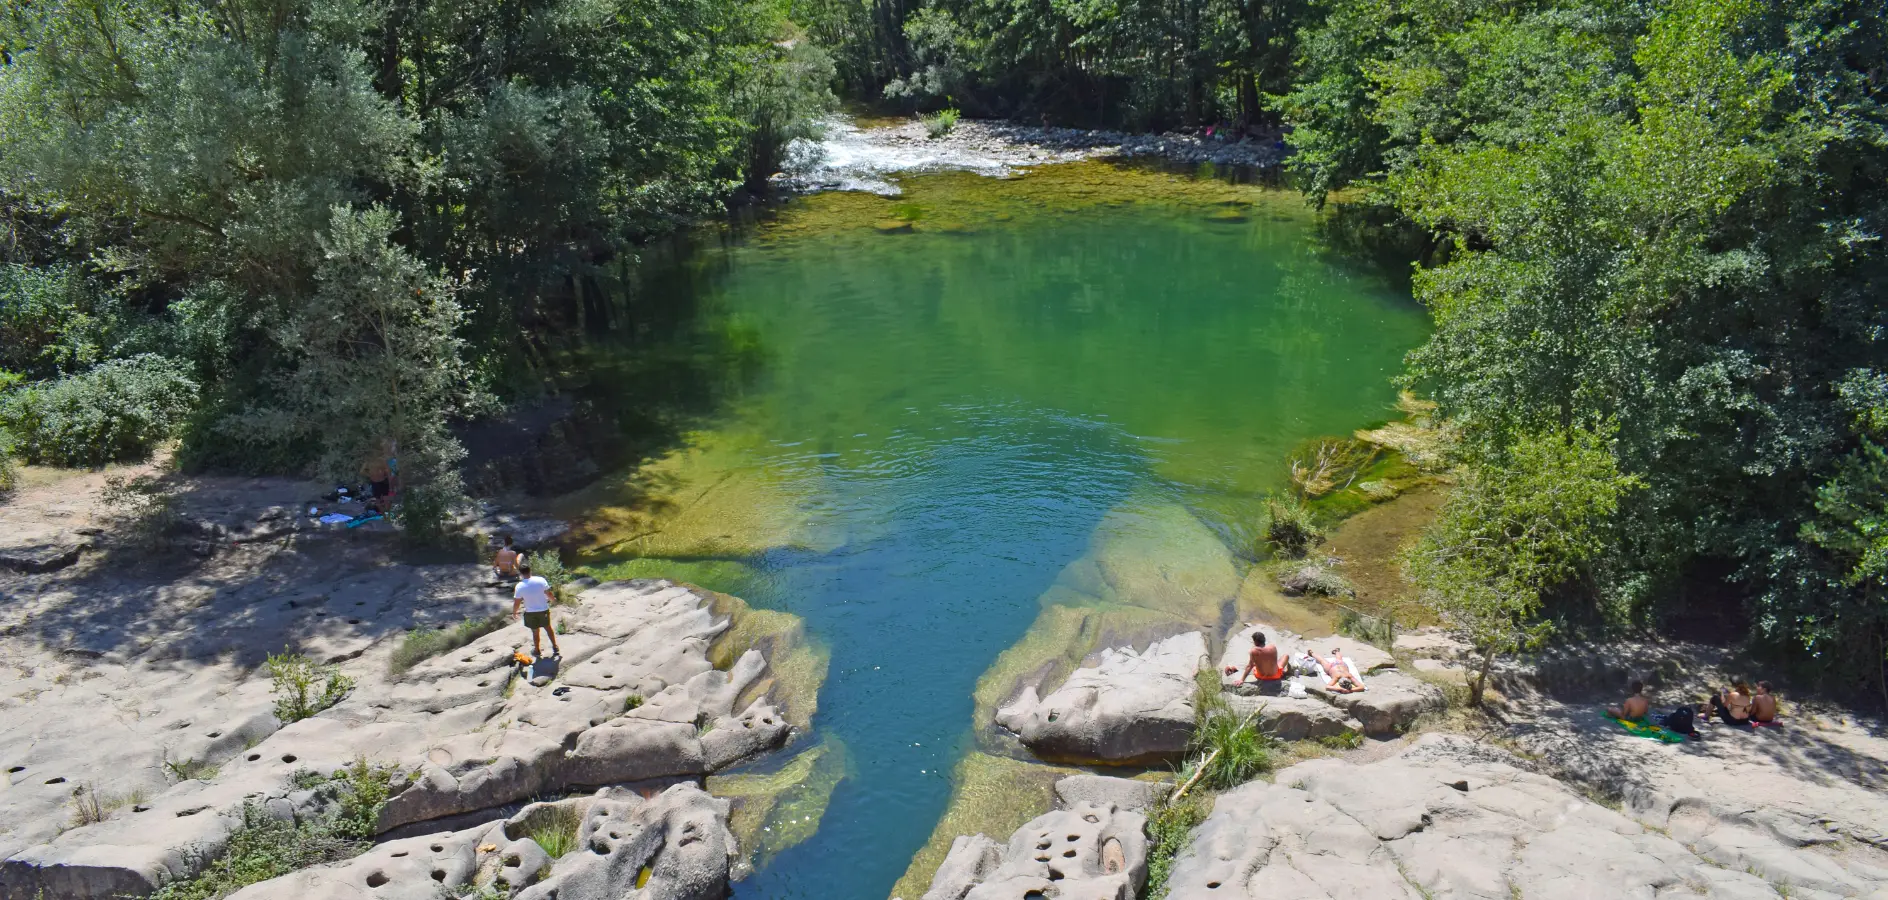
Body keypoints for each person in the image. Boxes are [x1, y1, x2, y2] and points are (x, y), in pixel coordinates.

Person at [512, 564, 560, 659]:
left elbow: (517, 602)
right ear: (530, 570)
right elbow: (548, 593)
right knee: (548, 628)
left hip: (531, 612)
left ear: (520, 573)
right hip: (543, 610)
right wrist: (553, 600)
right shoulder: (540, 580)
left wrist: (514, 612)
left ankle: (537, 650)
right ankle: (555, 647)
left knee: (535, 631)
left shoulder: (519, 586)